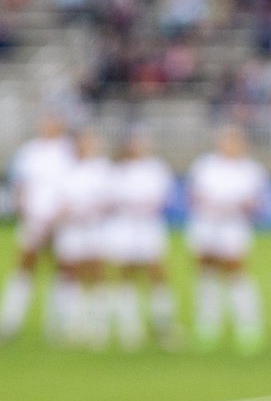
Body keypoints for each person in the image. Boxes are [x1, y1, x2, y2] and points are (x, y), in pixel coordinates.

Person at [186, 123, 269, 355]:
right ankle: (207, 326)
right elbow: (195, 195)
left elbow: (255, 203)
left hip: (233, 227)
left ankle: (248, 326)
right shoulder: (205, 165)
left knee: (237, 274)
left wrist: (234, 205)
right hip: (206, 225)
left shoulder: (251, 169)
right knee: (206, 274)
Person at [0, 111, 75, 344]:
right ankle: (10, 321)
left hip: (61, 219)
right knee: (25, 266)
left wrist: (58, 215)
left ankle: (60, 322)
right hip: (34, 219)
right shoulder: (29, 151)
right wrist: (27, 213)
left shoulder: (68, 150)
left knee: (63, 269)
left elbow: (74, 185)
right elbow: (20, 187)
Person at [102, 128, 178, 351]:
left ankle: (162, 324)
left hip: (148, 226)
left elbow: (164, 198)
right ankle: (130, 327)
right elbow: (110, 199)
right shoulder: (117, 170)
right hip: (124, 227)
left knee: (158, 274)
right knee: (126, 274)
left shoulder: (156, 168)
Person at [52, 126, 112, 348]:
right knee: (69, 274)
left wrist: (89, 210)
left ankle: (98, 324)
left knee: (96, 273)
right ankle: (71, 324)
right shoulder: (65, 171)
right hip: (71, 229)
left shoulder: (101, 169)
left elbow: (107, 200)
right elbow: (58, 202)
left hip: (93, 229)